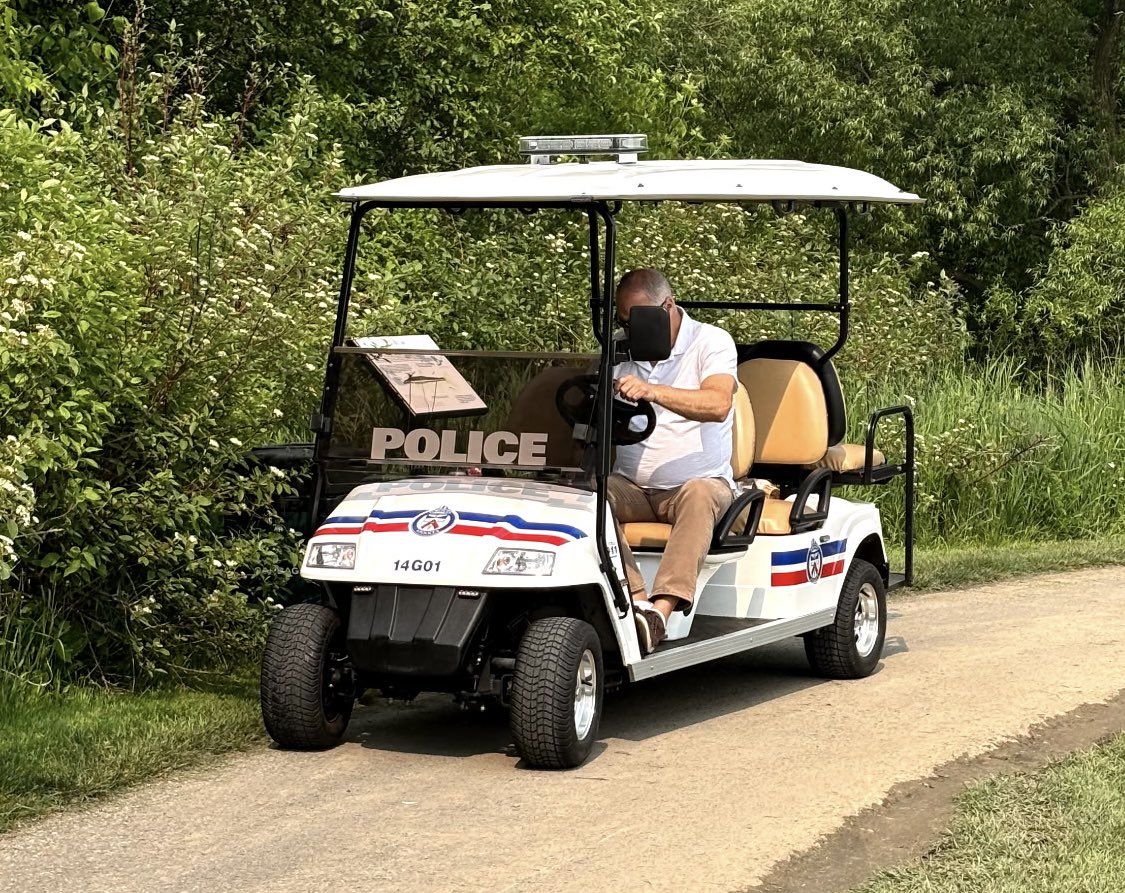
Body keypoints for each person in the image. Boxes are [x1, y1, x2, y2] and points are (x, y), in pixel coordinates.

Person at [609, 268, 738, 654]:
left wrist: (653, 391)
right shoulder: (621, 350)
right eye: (623, 322)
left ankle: (662, 612)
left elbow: (718, 403)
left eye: (638, 320)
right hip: (632, 486)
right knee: (587, 495)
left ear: (668, 307)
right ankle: (635, 600)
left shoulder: (710, 342)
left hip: (697, 483)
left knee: (699, 495)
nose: (630, 331)